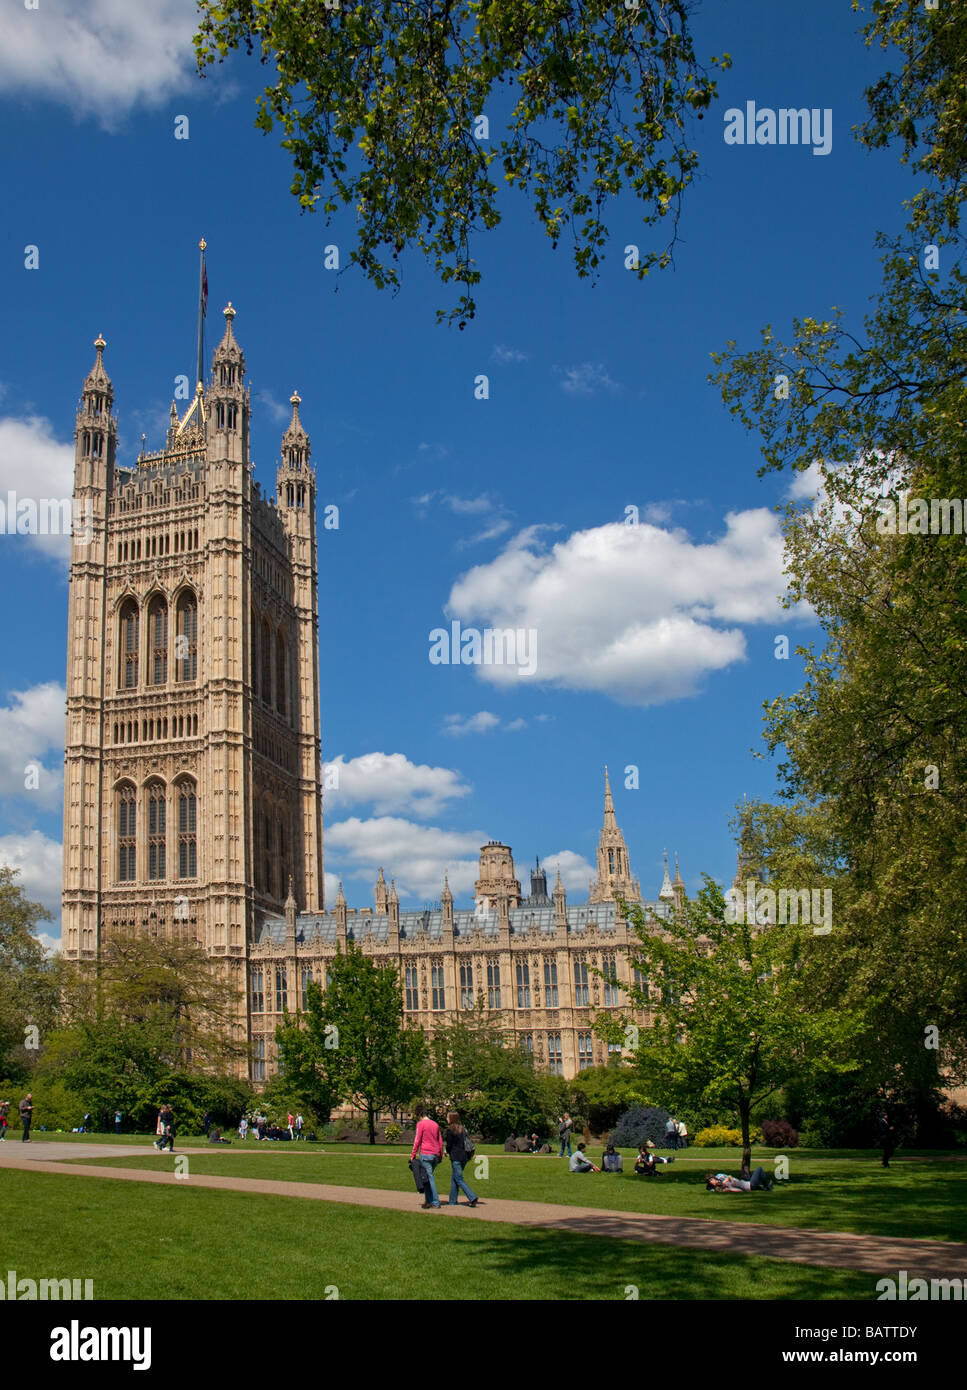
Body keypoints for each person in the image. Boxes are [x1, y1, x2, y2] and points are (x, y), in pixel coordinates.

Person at [410, 1104, 443, 1208]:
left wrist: (413, 1154)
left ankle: (435, 1202)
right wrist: (440, 1155)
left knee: (429, 1178)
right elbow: (440, 1141)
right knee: (427, 1177)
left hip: (426, 1154)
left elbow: (417, 1140)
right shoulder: (435, 1124)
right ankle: (428, 1201)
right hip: (436, 1154)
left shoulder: (421, 1124)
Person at [444, 1111, 479, 1207]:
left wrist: (446, 1151)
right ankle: (452, 1201)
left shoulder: (450, 1130)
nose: (446, 1119)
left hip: (456, 1157)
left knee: (458, 1178)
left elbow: (449, 1145)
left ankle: (472, 1197)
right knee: (454, 1178)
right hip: (464, 1156)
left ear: (451, 1118)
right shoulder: (462, 1129)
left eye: (447, 1117)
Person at [706, 1167, 773, 1192]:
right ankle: (767, 1186)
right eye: (711, 1181)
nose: (712, 1181)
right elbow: (739, 1190)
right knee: (759, 1169)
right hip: (750, 1185)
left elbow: (729, 1177)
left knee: (750, 1175)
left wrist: (731, 1180)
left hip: (747, 1184)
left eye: (712, 1180)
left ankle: (764, 1188)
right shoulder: (725, 1185)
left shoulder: (724, 1181)